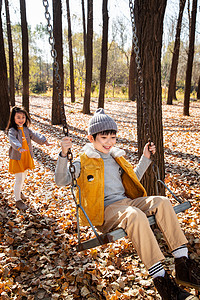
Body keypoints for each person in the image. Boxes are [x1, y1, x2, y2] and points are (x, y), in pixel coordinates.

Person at [55, 108, 199, 299]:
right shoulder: (84, 160)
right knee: (134, 215)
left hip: (126, 203)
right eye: (104, 137)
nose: (109, 142)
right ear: (91, 139)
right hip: (104, 211)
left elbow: (133, 179)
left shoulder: (116, 157)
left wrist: (145, 158)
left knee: (162, 202)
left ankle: (183, 265)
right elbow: (61, 180)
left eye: (112, 137)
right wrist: (64, 154)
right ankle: (163, 282)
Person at [6, 106, 52, 210]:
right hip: (17, 157)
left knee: (24, 177)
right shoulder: (12, 130)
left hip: (26, 156)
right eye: (18, 117)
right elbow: (13, 140)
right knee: (19, 178)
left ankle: (19, 192)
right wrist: (19, 147)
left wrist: (44, 141)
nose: (21, 119)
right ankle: (17, 200)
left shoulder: (26, 129)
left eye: (23, 117)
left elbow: (35, 135)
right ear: (13, 118)